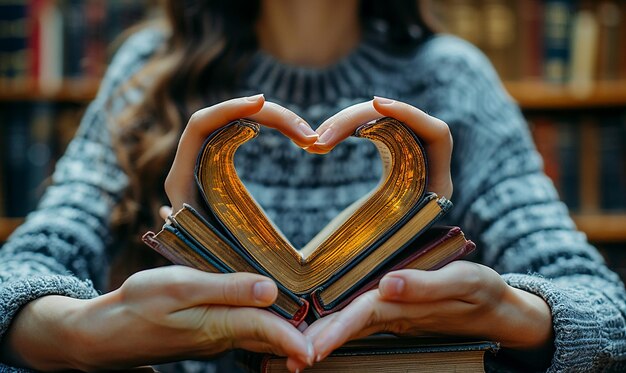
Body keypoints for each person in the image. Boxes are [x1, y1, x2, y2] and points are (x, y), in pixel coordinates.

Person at [1, 0, 625, 372]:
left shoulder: (453, 78)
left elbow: (605, 310)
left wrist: (514, 315)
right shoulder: (148, 67)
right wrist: (75, 335)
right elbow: (18, 276)